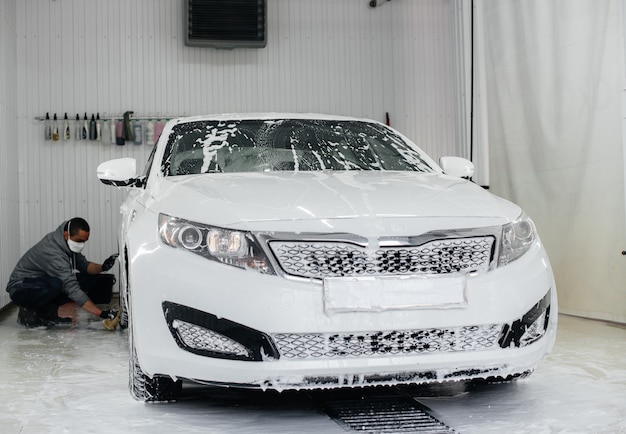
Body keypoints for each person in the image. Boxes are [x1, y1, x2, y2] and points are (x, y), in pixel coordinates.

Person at [6, 217, 118, 328]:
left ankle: (48, 314)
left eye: (84, 241)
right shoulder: (54, 252)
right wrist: (102, 313)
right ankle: (29, 312)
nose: (82, 244)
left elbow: (84, 265)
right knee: (57, 284)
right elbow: (72, 288)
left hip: (39, 282)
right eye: (79, 240)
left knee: (85, 280)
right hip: (20, 288)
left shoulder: (67, 243)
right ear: (66, 235)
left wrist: (102, 267)